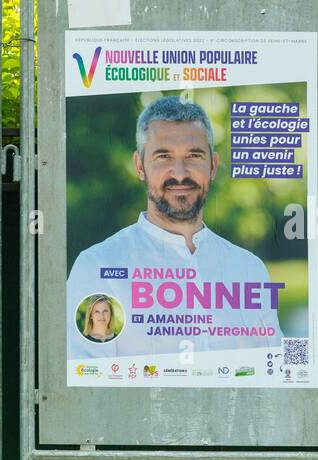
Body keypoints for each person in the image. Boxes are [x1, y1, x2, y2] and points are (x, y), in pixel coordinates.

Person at [65, 95, 282, 359]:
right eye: (163, 156)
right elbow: (85, 387)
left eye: (194, 155)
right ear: (139, 166)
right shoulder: (97, 267)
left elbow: (274, 374)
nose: (179, 173)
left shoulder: (249, 270)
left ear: (213, 165)